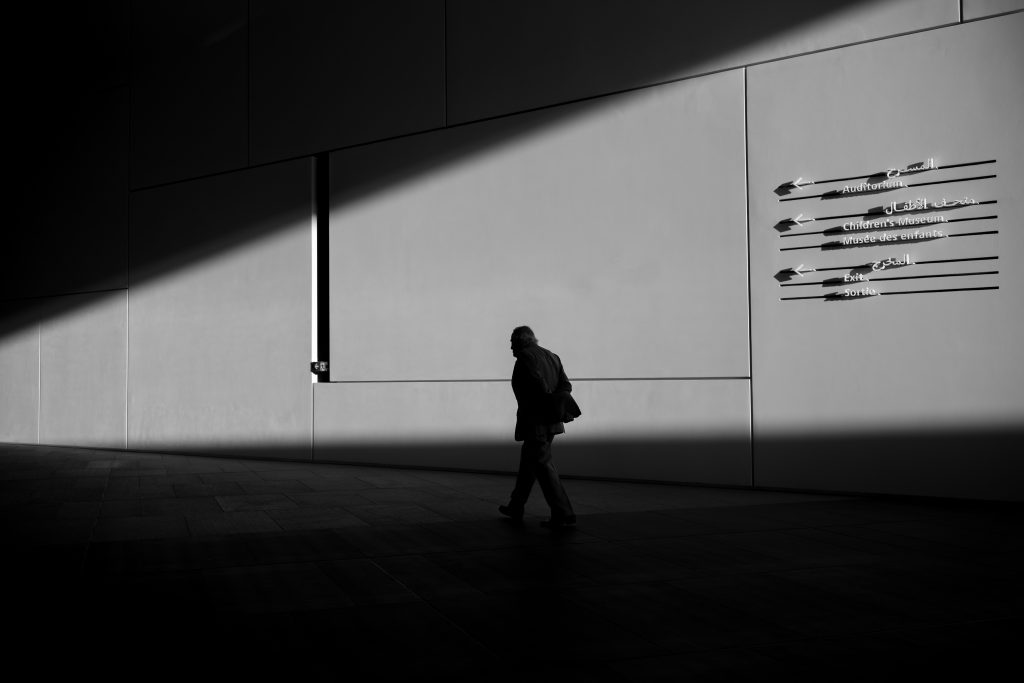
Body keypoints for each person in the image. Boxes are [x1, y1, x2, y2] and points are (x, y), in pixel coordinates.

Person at [499, 326, 580, 528]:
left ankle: (563, 513)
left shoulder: (526, 357)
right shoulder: (553, 356)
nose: (510, 346)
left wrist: (545, 398)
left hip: (536, 421)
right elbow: (566, 386)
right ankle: (516, 506)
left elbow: (538, 384)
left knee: (543, 465)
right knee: (529, 464)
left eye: (512, 341)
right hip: (551, 419)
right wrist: (555, 402)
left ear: (520, 341)